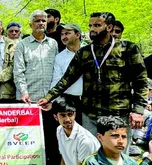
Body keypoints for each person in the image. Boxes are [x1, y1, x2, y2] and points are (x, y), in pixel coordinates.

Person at [38, 12, 148, 152]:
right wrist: (48, 98)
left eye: (97, 25)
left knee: (118, 157)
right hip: (91, 115)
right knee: (92, 156)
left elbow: (141, 81)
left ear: (109, 27)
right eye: (90, 25)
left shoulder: (128, 49)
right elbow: (67, 79)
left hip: (119, 113)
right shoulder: (84, 52)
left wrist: (138, 110)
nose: (92, 29)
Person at [13, 9, 58, 165]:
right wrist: (24, 92)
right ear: (30, 25)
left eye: (44, 21)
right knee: (26, 145)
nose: (41, 23)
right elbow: (18, 71)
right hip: (28, 102)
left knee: (50, 144)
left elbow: (58, 71)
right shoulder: (22, 45)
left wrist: (52, 96)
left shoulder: (53, 44)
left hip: (49, 102)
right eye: (37, 21)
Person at [74, 116, 144, 165]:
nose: (120, 141)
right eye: (114, 136)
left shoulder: (132, 164)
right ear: (100, 137)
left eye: (123, 137)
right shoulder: (92, 163)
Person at [53, 96, 100, 165]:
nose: (67, 119)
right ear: (55, 116)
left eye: (70, 114)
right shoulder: (59, 131)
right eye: (63, 115)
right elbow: (65, 161)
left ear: (75, 114)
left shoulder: (85, 141)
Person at [50, 24, 83, 121]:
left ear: (77, 35)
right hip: (70, 101)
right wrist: (51, 100)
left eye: (67, 33)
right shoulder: (60, 57)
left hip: (91, 100)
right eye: (62, 34)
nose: (64, 37)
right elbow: (57, 80)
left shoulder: (91, 52)